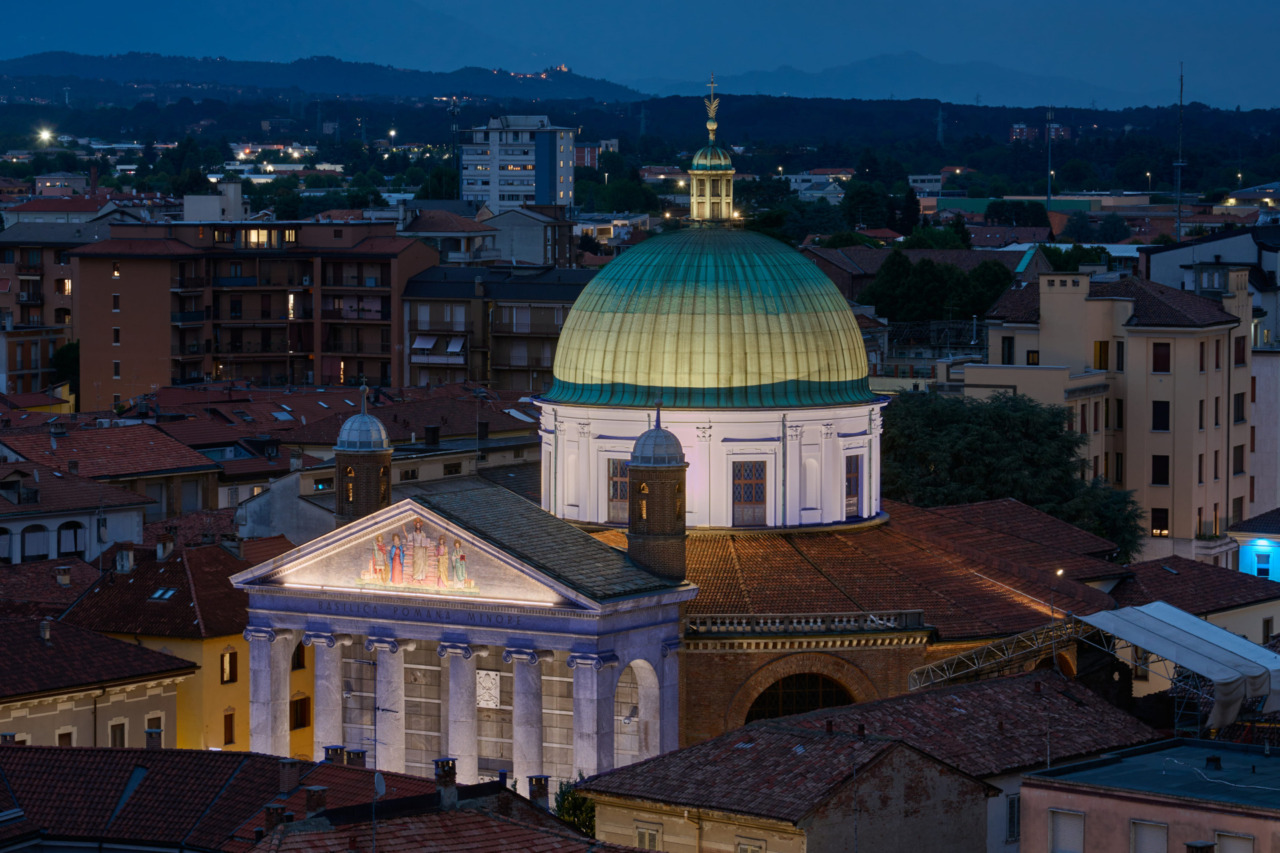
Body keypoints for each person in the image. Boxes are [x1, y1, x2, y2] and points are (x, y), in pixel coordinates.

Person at [405, 519, 432, 585]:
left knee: (421, 564)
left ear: (420, 526)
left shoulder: (423, 534)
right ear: (415, 526)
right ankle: (415, 577)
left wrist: (426, 546)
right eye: (417, 525)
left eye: (419, 525)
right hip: (416, 550)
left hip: (422, 550)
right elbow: (408, 538)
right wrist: (404, 530)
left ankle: (421, 578)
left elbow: (425, 543)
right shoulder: (413, 534)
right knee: (416, 564)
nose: (418, 525)